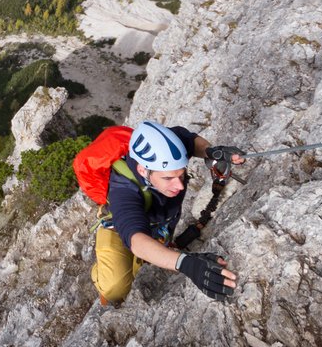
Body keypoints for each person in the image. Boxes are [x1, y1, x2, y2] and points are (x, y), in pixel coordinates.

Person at [91, 120, 244, 304]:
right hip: (119, 228)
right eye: (169, 178)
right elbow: (137, 241)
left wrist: (212, 152)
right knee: (115, 288)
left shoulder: (171, 148)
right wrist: (186, 264)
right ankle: (102, 272)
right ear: (143, 170)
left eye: (181, 175)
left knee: (147, 265)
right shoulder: (123, 191)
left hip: (160, 225)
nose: (179, 185)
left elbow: (191, 141)